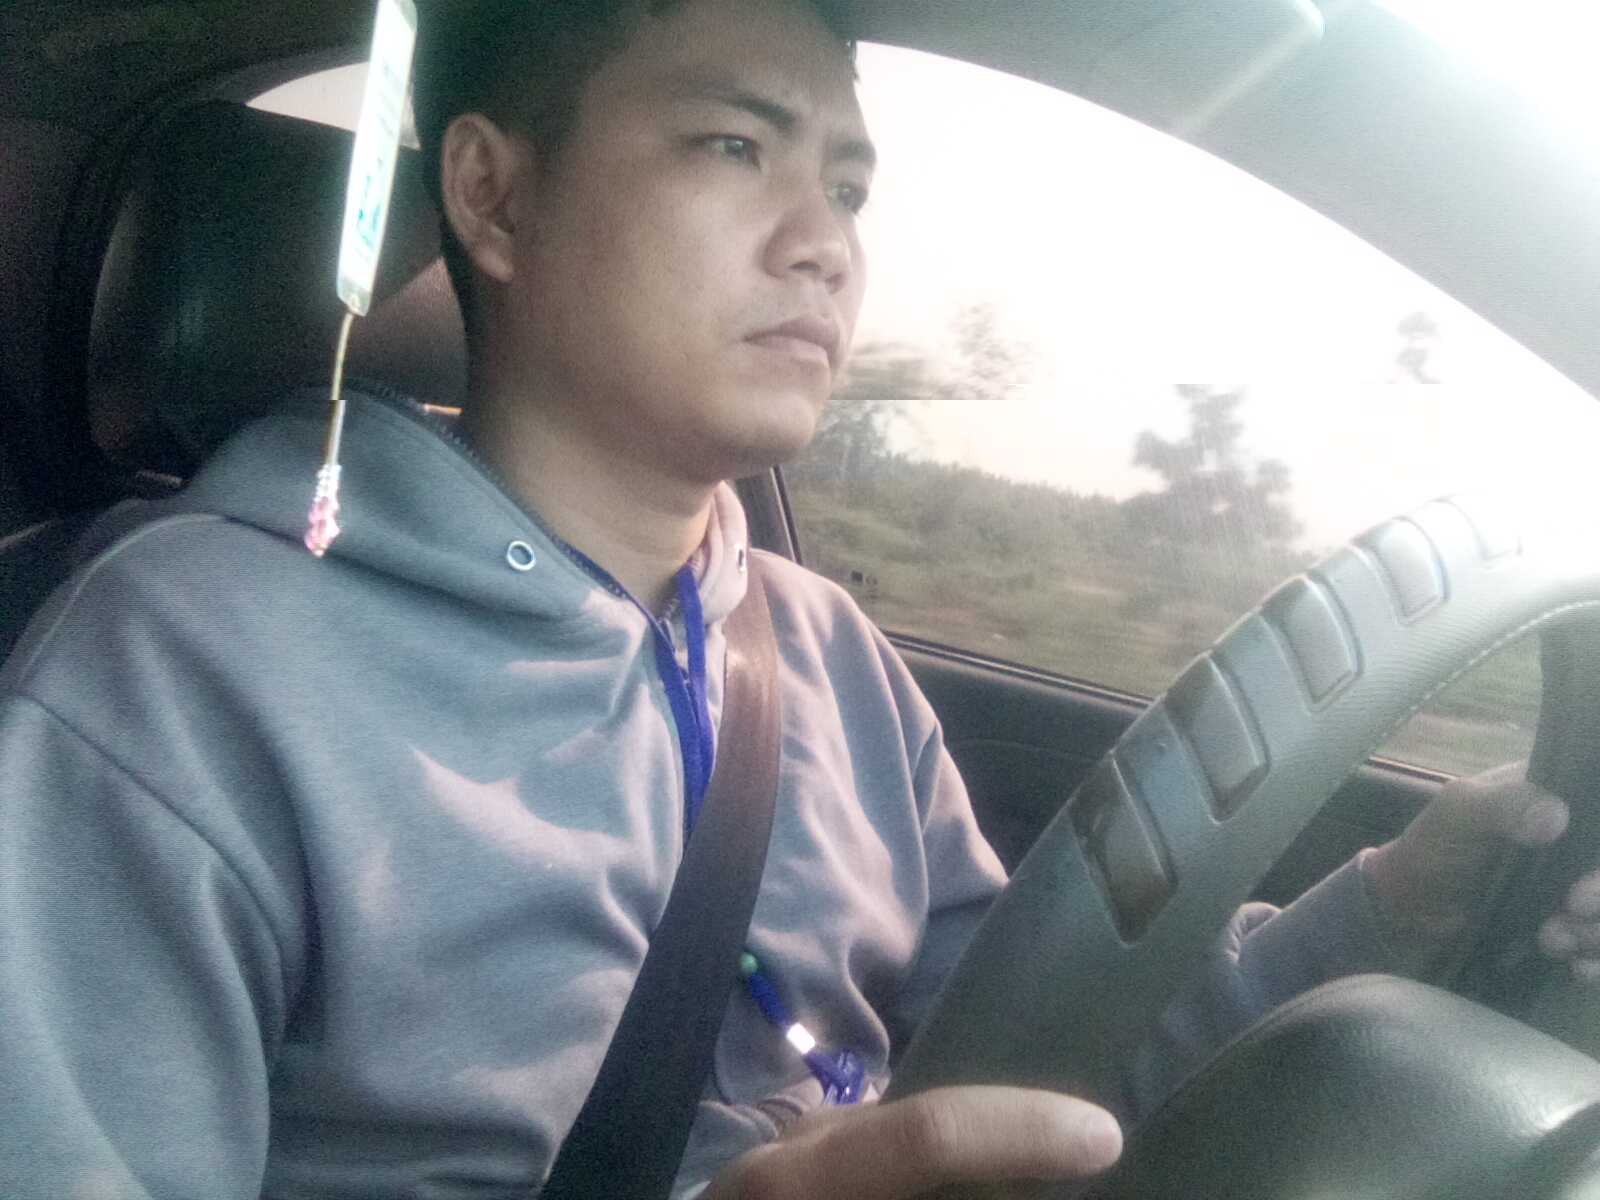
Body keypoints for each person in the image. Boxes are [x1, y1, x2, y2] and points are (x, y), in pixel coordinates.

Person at [1, 0, 1596, 1196]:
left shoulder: (821, 650)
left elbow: (1036, 1043)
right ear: (492, 197)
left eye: (847, 185)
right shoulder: (181, 670)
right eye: (733, 146)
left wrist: (1389, 907)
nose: (823, 243)